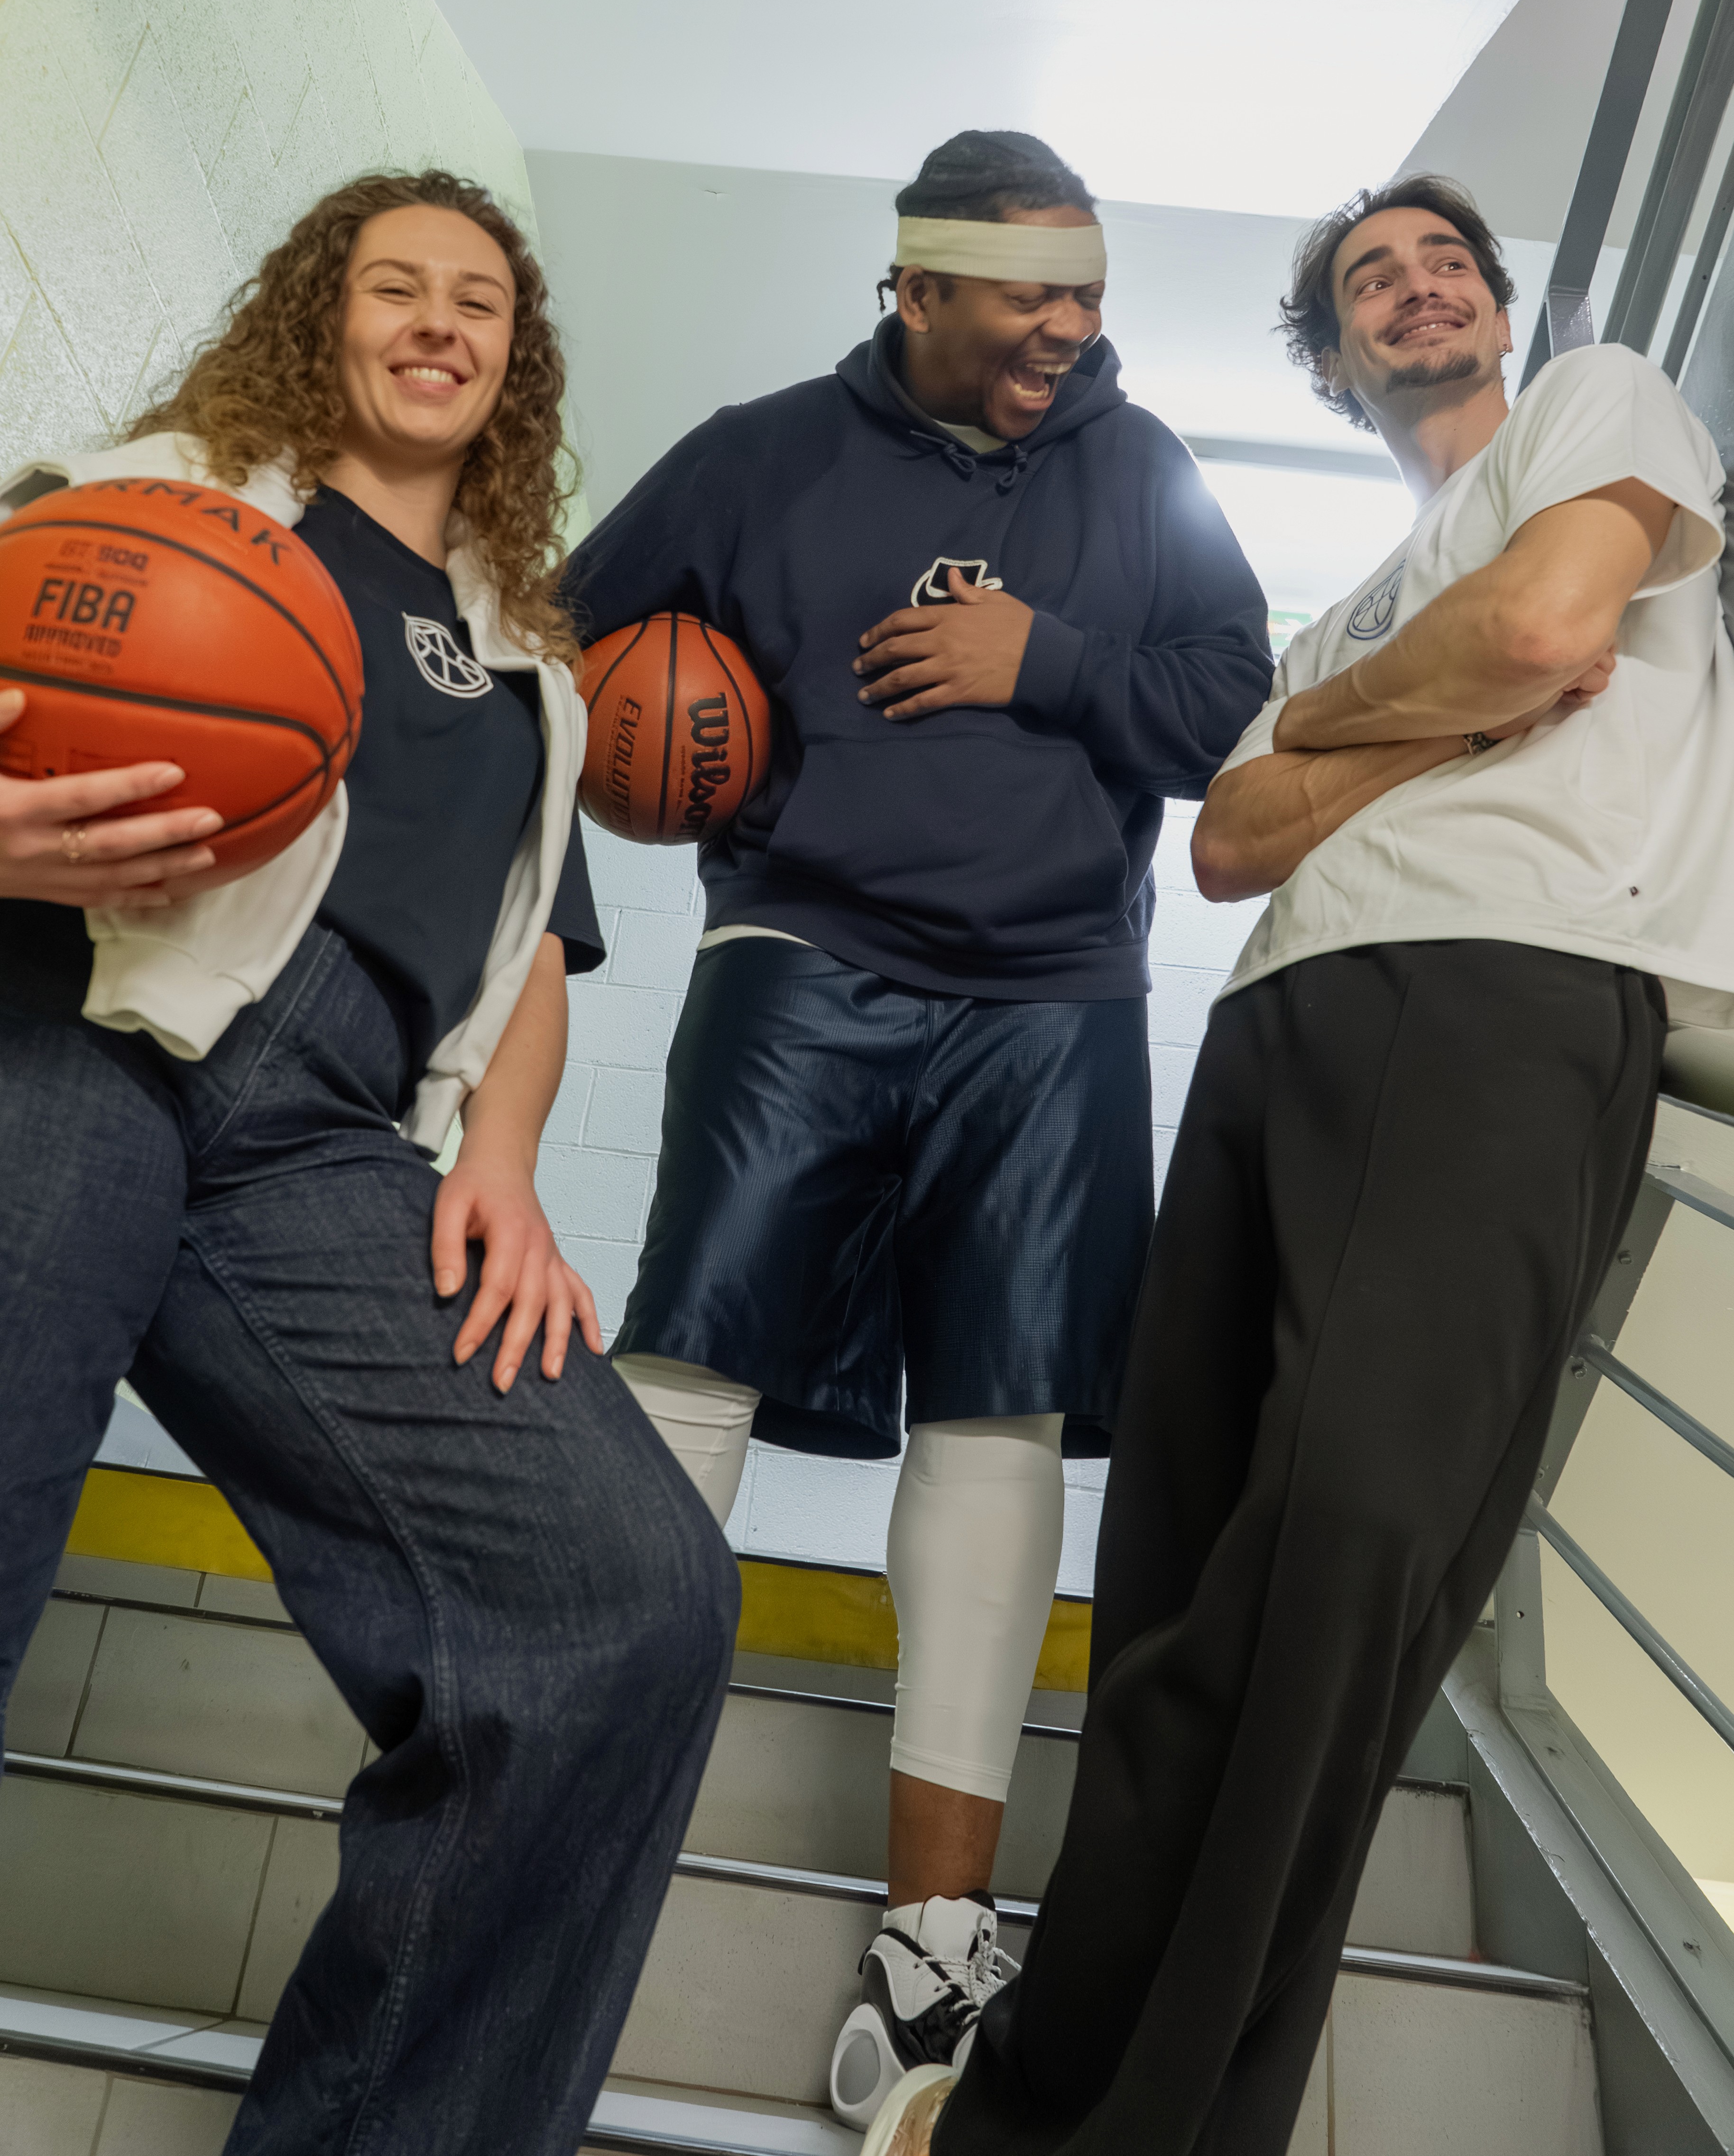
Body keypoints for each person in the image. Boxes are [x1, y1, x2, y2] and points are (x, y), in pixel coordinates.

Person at [864, 172, 1734, 2156]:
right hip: (1273, 1026)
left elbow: (1536, 624)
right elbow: (1231, 836)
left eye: (1440, 260)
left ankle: (1140, 2125)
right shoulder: (1347, 591)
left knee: (1338, 1562)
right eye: (1366, 281)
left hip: (1511, 995)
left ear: (1494, 310)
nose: (1411, 286)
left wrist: (1376, 718)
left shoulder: (1592, 407)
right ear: (1331, 359)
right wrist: (1405, 699)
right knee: (1173, 1593)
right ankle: (1021, 2107)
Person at [0, 172, 738, 2156]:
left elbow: (542, 963)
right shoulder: (160, 501)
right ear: (318, 317)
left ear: (514, 362)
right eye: (392, 283)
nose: (436, 318)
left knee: (628, 1593)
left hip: (325, 1139)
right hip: (67, 1017)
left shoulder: (533, 674)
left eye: (477, 299)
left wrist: (498, 1157)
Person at [564, 128, 1273, 2127]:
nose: (1069, 325)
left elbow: (1234, 705)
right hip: (802, 946)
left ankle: (936, 1933)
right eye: (1027, 293)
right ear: (918, 286)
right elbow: (559, 655)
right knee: (688, 1349)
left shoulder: (1140, 474)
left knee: (1000, 1412)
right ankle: (566, 1770)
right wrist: (623, 801)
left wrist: (1038, 661)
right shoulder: (754, 451)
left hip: (1050, 993)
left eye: (1088, 289)